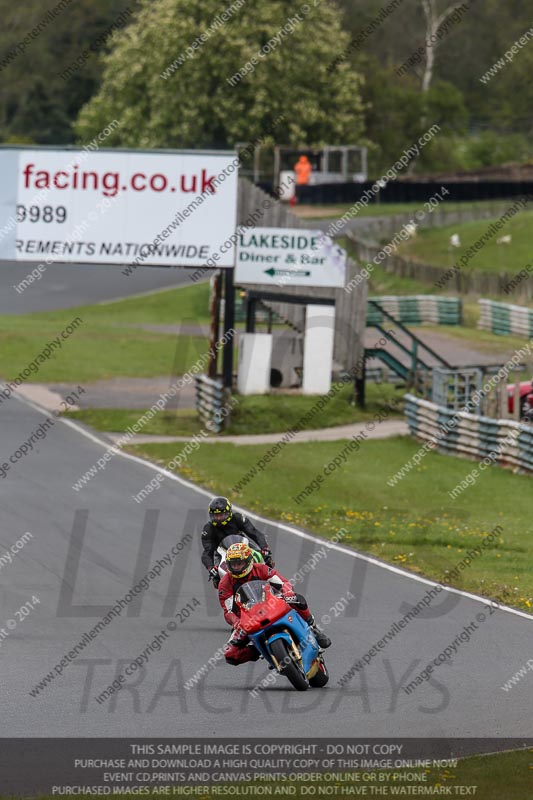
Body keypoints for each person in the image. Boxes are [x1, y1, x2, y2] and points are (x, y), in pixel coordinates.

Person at [219, 542, 331, 665]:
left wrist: (287, 592)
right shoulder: (225, 583)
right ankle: (258, 649)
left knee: (297, 598)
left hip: (271, 603)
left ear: (249, 560)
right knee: (230, 655)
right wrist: (236, 622)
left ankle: (314, 628)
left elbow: (283, 583)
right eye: (233, 564)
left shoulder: (261, 569)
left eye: (239, 563)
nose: (236, 567)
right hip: (246, 618)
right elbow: (228, 611)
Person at [201, 496, 273, 588]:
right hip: (222, 553)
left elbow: (254, 533)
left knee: (266, 559)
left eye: (221, 515)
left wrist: (264, 548)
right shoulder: (208, 529)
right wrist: (210, 568)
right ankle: (228, 595)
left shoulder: (238, 518)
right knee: (217, 578)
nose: (218, 518)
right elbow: (207, 552)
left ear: (228, 512)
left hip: (243, 546)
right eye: (216, 516)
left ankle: (275, 584)